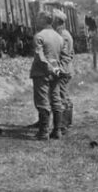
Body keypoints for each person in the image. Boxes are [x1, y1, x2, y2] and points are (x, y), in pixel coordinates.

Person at [29, 10, 68, 140]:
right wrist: (58, 69)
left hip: (41, 73)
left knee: (42, 101)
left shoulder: (39, 36)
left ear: (43, 20)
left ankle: (43, 132)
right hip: (56, 73)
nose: (36, 21)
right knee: (56, 99)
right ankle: (57, 131)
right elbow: (65, 57)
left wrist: (49, 68)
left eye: (38, 19)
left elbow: (40, 57)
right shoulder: (59, 37)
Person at [53, 8, 74, 136]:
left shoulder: (63, 35)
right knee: (62, 96)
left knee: (62, 97)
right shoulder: (62, 33)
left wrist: (58, 68)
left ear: (58, 21)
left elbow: (66, 56)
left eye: (53, 20)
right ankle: (65, 123)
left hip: (63, 70)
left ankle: (64, 125)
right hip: (64, 69)